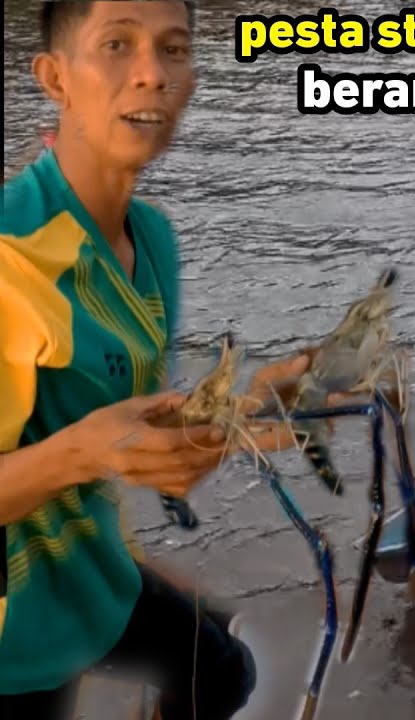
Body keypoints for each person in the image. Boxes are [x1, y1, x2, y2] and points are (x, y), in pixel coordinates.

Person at [0, 2, 328, 717]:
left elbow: (130, 425)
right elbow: (93, 444)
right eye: (117, 45)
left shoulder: (151, 240)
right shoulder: (9, 260)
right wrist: (83, 454)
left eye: (173, 50)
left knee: (221, 673)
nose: (151, 75)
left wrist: (243, 412)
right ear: (55, 76)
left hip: (92, 576)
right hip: (13, 640)